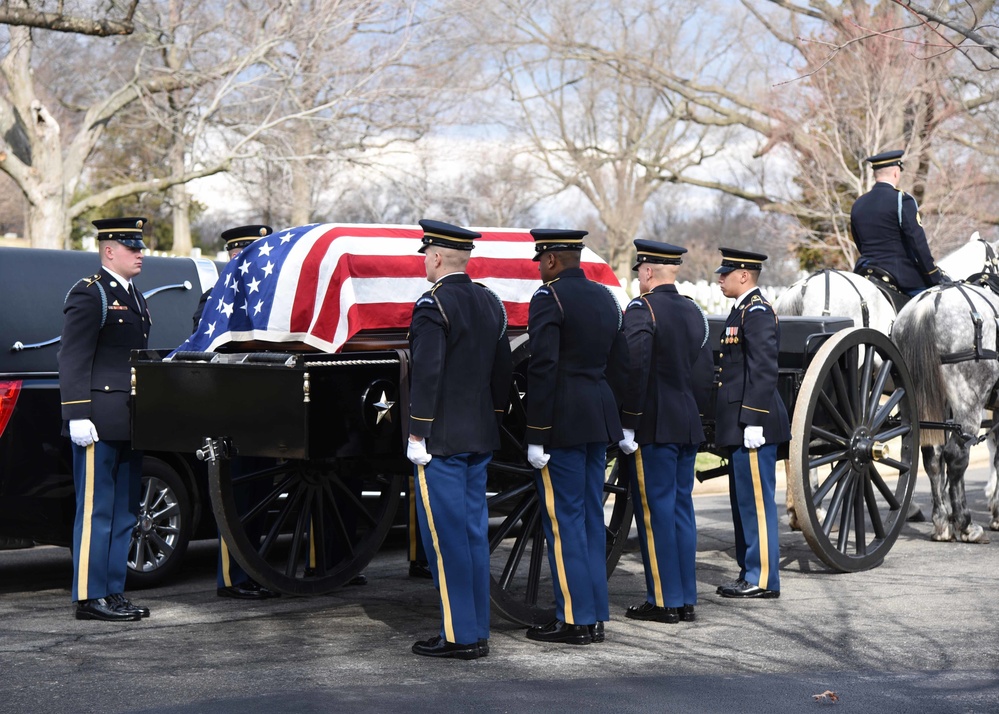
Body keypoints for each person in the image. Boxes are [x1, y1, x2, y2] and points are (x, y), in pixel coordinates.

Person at [407, 219, 513, 660]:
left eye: (425, 258)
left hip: (442, 442)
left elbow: (428, 373)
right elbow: (502, 370)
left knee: (446, 540)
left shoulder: (433, 304)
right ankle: (477, 630)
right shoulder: (490, 303)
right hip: (479, 436)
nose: (424, 265)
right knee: (470, 537)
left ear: (435, 257)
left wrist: (417, 432)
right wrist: (495, 418)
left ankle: (459, 636)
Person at [524, 228, 628, 646]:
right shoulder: (605, 298)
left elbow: (543, 368)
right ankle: (594, 615)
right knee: (587, 518)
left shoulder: (549, 298)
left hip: (563, 421)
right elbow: (619, 364)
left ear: (550, 261)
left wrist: (536, 435)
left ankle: (573, 620)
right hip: (597, 417)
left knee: (564, 521)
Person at [59, 217, 152, 622]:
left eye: (141, 246)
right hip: (97, 420)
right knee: (97, 509)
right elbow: (73, 356)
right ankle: (88, 595)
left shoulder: (136, 297)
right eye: (132, 246)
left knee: (126, 512)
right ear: (109, 250)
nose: (140, 253)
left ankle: (113, 591)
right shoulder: (91, 294)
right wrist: (77, 414)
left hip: (129, 420)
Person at [619, 239, 712, 625]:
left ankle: (663, 600)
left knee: (656, 513)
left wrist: (628, 420)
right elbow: (703, 372)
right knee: (680, 511)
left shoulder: (643, 309)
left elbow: (634, 369)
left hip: (653, 424)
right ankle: (685, 598)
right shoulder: (693, 310)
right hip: (686, 421)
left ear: (646, 272)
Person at [192, 224, 282, 600]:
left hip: (265, 412)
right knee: (237, 499)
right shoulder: (216, 299)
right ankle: (233, 577)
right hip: (232, 414)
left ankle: (252, 570)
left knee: (260, 496)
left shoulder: (272, 297)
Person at [713, 247, 791, 599]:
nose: (719, 279)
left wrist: (754, 421)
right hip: (741, 422)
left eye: (725, 273)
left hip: (753, 424)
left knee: (756, 503)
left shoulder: (756, 311)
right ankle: (750, 572)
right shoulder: (741, 310)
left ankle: (761, 579)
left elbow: (763, 369)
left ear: (744, 275)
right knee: (744, 502)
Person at [850, 149, 943, 296]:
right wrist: (933, 275)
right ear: (895, 173)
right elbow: (917, 243)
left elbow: (859, 242)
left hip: (864, 272)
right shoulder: (902, 199)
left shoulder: (858, 204)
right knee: (935, 304)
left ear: (875, 174)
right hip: (901, 276)